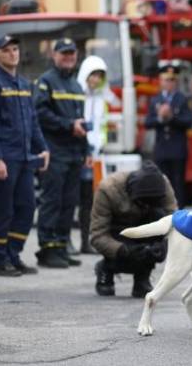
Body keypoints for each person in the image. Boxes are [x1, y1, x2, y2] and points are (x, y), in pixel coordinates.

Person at [34, 38, 90, 267]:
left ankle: (61, 245)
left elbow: (82, 122)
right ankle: (47, 249)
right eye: (63, 53)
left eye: (71, 53)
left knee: (69, 202)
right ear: (54, 56)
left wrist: (86, 150)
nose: (68, 57)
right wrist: (68, 125)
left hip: (75, 153)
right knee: (52, 200)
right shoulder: (46, 82)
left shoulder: (77, 86)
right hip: (55, 151)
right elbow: (40, 114)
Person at [0, 35, 49, 276]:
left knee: (26, 207)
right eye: (6, 50)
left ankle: (13, 254)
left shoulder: (25, 84)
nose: (12, 54)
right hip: (6, 158)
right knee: (3, 210)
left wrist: (43, 147)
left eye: (15, 49)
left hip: (25, 157)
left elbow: (33, 121)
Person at [90, 161, 176, 297]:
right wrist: (123, 250)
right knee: (126, 250)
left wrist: (163, 245)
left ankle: (142, 276)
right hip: (119, 233)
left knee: (161, 219)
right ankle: (107, 268)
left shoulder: (163, 186)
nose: (146, 206)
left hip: (145, 229)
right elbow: (98, 235)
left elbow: (175, 223)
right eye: (142, 202)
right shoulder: (108, 189)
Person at [76, 55, 119, 254]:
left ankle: (88, 241)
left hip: (96, 155)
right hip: (81, 153)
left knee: (93, 200)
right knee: (77, 199)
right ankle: (75, 241)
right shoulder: (78, 95)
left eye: (100, 76)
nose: (96, 79)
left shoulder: (103, 97)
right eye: (93, 75)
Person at [145, 61, 192, 208]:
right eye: (167, 79)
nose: (169, 83)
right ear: (161, 81)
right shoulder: (155, 100)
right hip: (161, 150)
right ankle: (163, 213)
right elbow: (148, 122)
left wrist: (171, 117)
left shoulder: (182, 99)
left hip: (177, 150)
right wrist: (160, 118)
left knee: (178, 185)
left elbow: (188, 121)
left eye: (172, 80)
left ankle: (179, 214)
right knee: (162, 184)